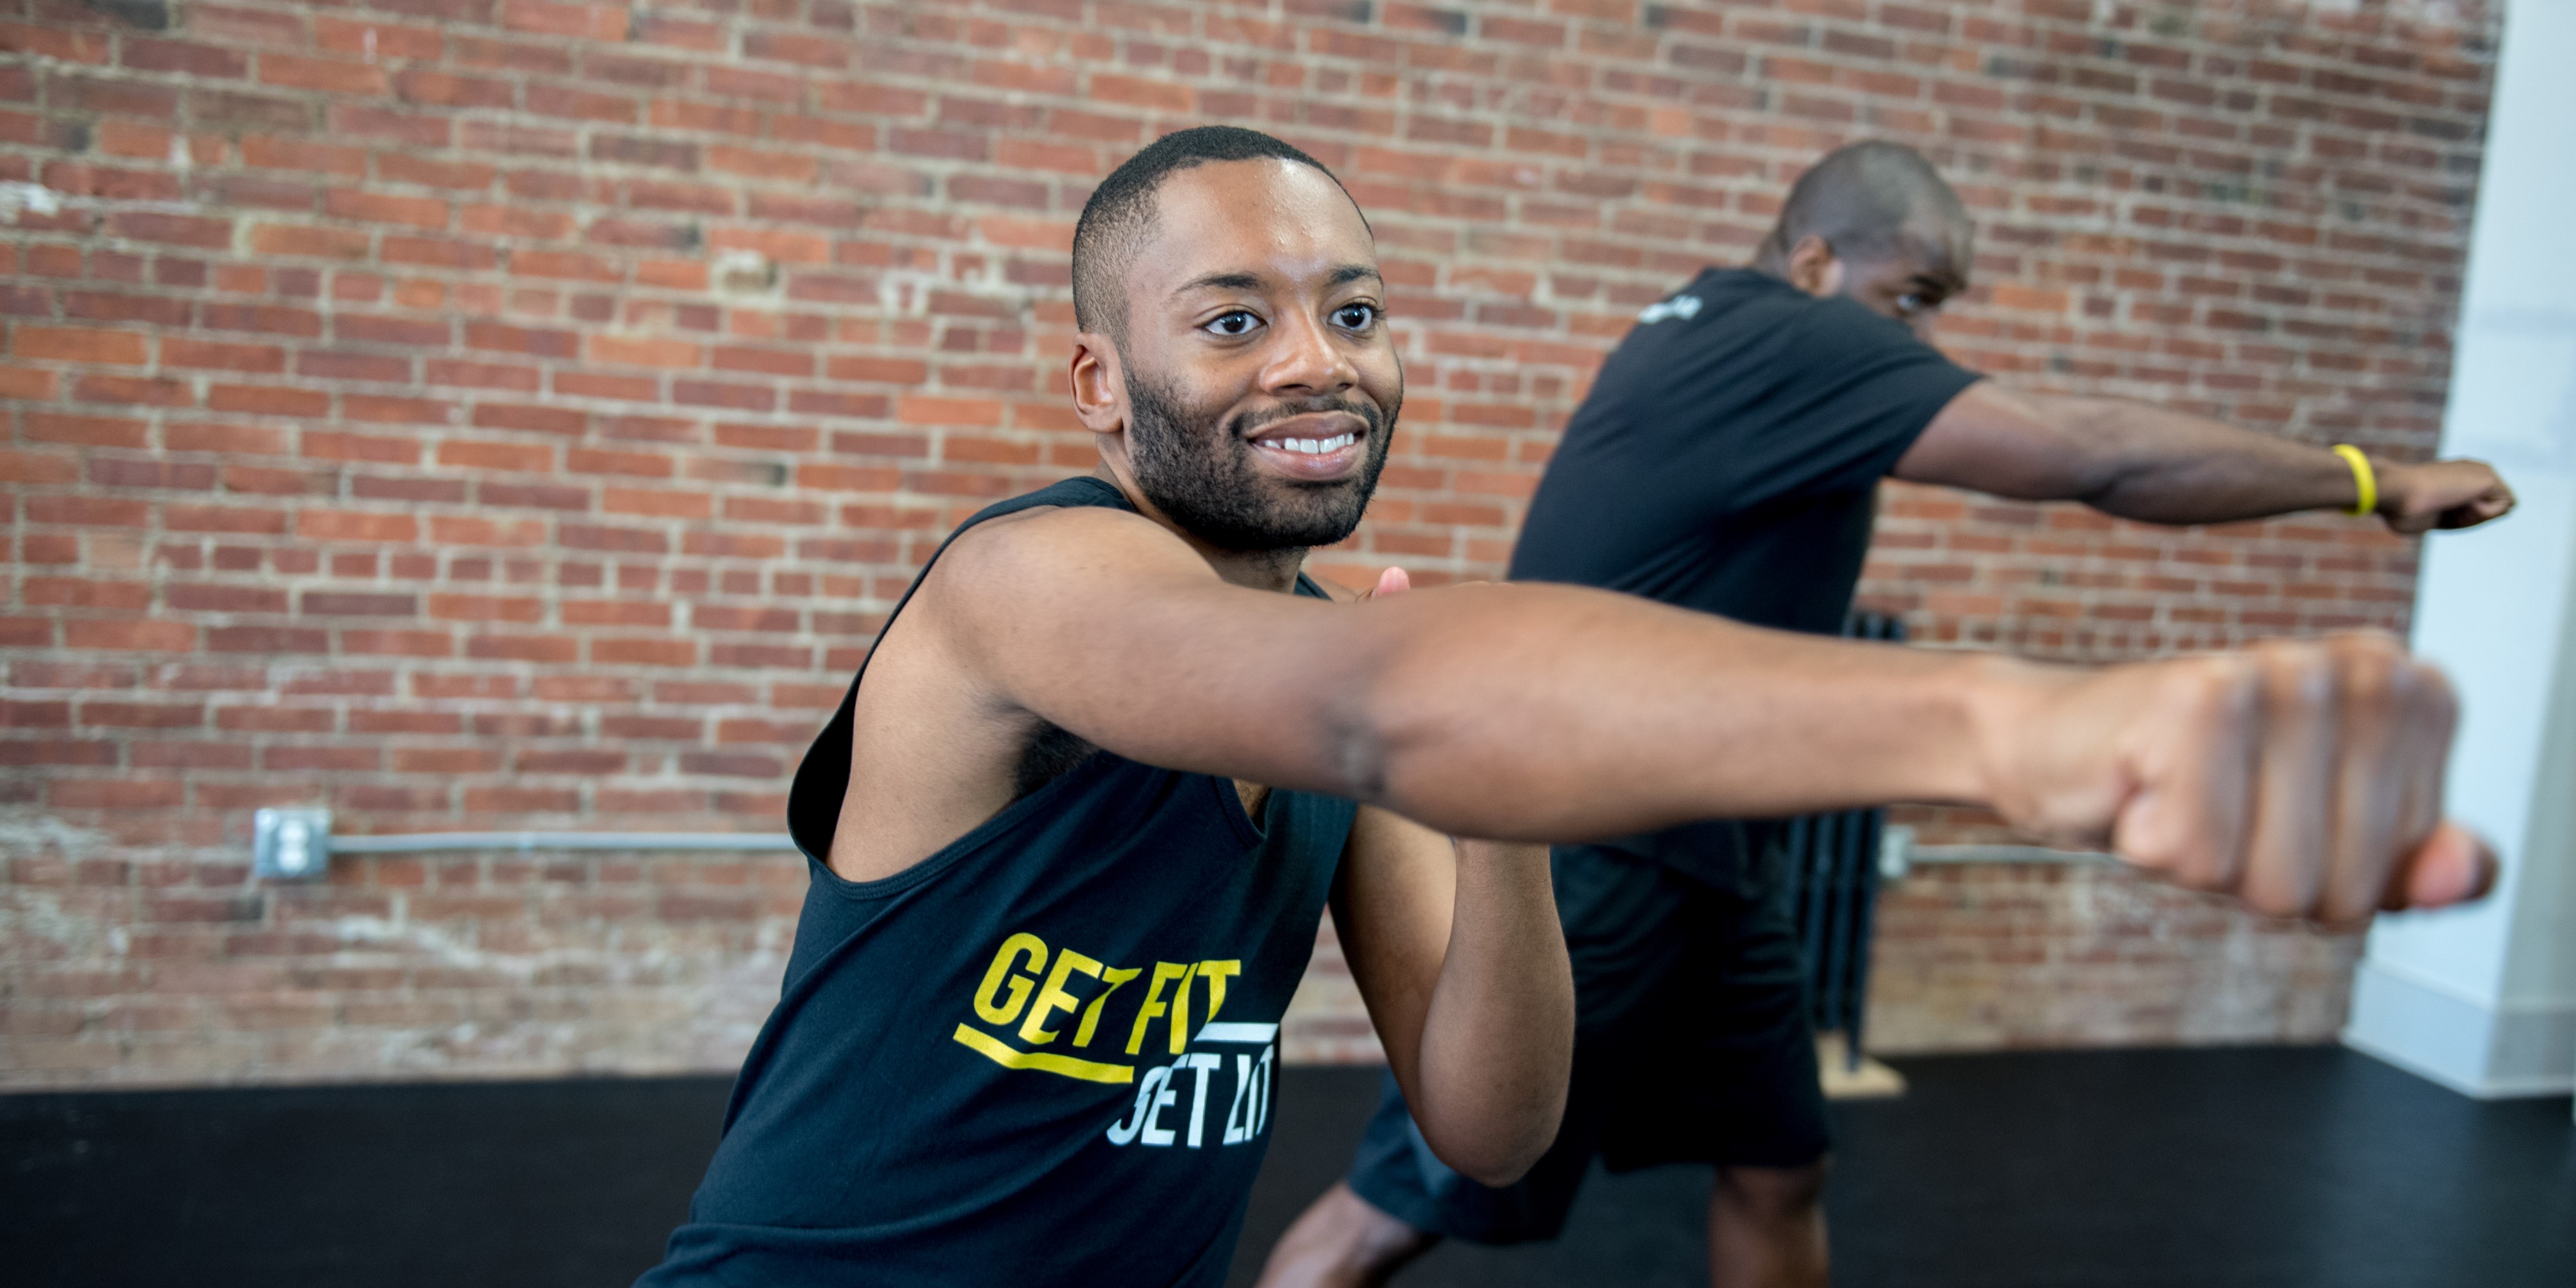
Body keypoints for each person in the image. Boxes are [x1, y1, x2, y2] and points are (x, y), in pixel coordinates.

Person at [636, 128, 2494, 1288]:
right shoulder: (1024, 584)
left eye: (1355, 311)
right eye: (1231, 320)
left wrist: (1496, 815)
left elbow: (1492, 1127)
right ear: (1097, 385)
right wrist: (2024, 731)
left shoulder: (1341, 691)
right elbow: (1378, 699)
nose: (1317, 363)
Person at [1258, 140, 2517, 1288]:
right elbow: (2096, 452)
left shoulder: (1714, 329)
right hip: (1607, 854)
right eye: (1910, 299)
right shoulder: (1780, 336)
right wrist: (2374, 481)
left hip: (1717, 859)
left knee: (1778, 1164)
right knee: (1399, 1205)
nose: (1917, 337)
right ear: (1815, 262)